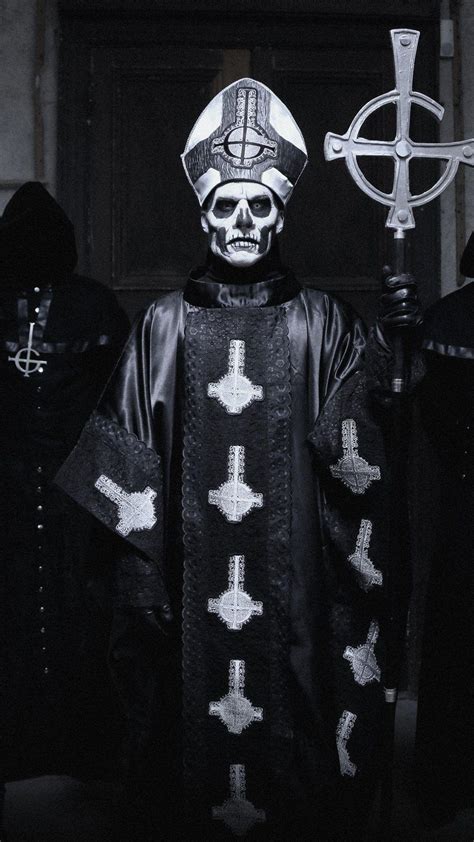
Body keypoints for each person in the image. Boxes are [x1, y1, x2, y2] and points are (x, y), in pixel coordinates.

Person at [56, 79, 420, 840]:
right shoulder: (162, 327)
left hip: (298, 602)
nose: (244, 223)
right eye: (227, 206)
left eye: (260, 206)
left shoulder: (324, 323)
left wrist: (393, 360)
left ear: (282, 215)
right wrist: (142, 579)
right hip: (187, 600)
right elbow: (120, 463)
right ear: (203, 214)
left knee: (300, 769)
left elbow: (361, 460)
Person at [0, 182, 129, 833]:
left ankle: (82, 746)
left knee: (82, 614)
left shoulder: (94, 307)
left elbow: (118, 406)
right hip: (9, 492)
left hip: (76, 495)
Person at [415, 235, 473, 827]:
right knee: (459, 633)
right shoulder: (448, 322)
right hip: (463, 502)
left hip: (462, 497)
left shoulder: (446, 320)